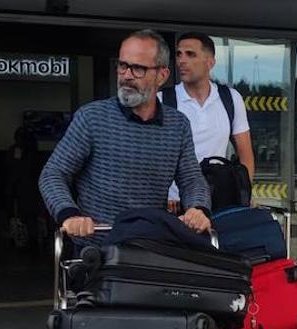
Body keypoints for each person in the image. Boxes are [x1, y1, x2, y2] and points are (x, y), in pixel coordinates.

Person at [39, 29, 211, 247]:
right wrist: (69, 214)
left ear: (162, 75)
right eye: (122, 65)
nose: (127, 75)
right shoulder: (92, 117)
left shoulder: (178, 125)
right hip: (95, 250)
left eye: (138, 68)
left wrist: (198, 208)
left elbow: (191, 179)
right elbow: (53, 173)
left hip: (150, 247)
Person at [160, 32, 255, 213]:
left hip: (219, 200)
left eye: (190, 54)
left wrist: (244, 194)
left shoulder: (231, 99)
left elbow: (246, 155)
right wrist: (164, 195)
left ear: (210, 62)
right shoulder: (163, 100)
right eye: (179, 54)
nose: (181, 60)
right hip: (175, 204)